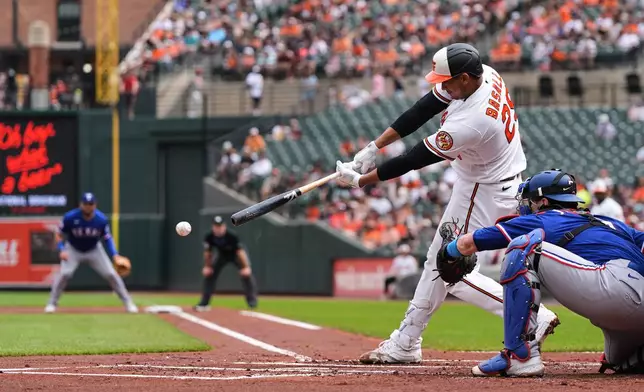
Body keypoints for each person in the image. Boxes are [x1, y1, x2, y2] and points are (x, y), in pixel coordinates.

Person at [336, 43, 560, 364]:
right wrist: (375, 145)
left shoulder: (472, 121)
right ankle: (406, 340)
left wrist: (361, 180)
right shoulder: (486, 75)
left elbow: (413, 159)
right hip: (492, 180)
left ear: (466, 78)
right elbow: (423, 108)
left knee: (449, 268)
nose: (441, 85)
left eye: (448, 80)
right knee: (438, 263)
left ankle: (530, 317)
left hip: (481, 190)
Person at [441, 170, 644, 376]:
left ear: (543, 202)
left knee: (523, 247)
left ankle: (520, 356)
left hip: (616, 293)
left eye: (530, 200)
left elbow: (469, 243)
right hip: (633, 305)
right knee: (619, 360)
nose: (526, 205)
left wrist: (449, 250)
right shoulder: (610, 222)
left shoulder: (545, 219)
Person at [45, 193, 138, 313]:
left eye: (91, 204)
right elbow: (58, 234)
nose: (88, 207)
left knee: (111, 274)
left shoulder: (101, 219)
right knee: (64, 274)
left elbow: (107, 238)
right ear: (81, 205)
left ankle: (128, 303)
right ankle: (52, 303)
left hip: (94, 249)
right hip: (73, 249)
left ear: (95, 205)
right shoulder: (71, 217)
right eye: (86, 204)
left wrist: (115, 254)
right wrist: (62, 249)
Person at [194, 216, 258, 311]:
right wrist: (208, 266)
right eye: (216, 226)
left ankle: (252, 302)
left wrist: (245, 267)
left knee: (246, 275)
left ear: (224, 226)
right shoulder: (209, 236)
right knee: (209, 275)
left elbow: (240, 252)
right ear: (213, 227)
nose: (218, 229)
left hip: (235, 256)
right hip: (222, 255)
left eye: (220, 226)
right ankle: (204, 302)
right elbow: (208, 253)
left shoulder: (231, 236)